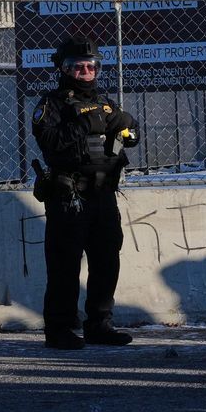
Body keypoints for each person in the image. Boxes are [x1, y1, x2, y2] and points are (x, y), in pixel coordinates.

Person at [32, 35, 140, 350]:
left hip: (104, 193)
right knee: (64, 265)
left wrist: (128, 130)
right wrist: (83, 124)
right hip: (70, 195)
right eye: (77, 66)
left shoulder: (106, 103)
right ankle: (59, 328)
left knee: (107, 260)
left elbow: (129, 133)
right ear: (63, 69)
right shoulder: (51, 104)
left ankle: (99, 324)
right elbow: (48, 141)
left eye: (91, 66)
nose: (85, 72)